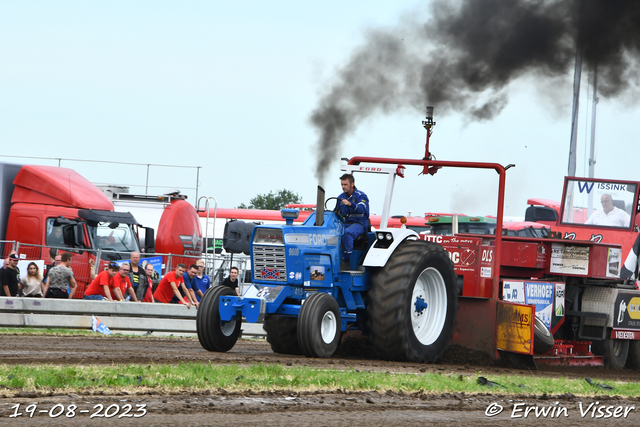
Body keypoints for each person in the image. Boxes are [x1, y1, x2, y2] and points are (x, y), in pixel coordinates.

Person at [337, 173, 370, 270]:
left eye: (345, 184)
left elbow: (361, 209)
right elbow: (337, 211)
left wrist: (350, 204)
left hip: (360, 223)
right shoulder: (340, 197)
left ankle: (347, 261)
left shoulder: (361, 196)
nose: (343, 187)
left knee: (348, 233)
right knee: (332, 232)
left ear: (352, 184)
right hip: (345, 223)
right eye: (342, 184)